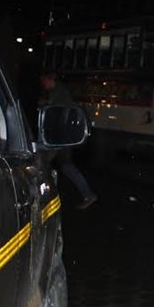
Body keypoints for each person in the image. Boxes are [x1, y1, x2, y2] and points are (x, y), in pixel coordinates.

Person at [39, 72, 98, 210]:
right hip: (62, 136)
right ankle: (88, 194)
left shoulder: (59, 92)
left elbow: (58, 113)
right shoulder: (58, 91)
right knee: (66, 166)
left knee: (42, 163)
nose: (43, 85)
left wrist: (45, 104)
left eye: (43, 81)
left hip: (60, 136)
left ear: (49, 79)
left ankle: (42, 198)